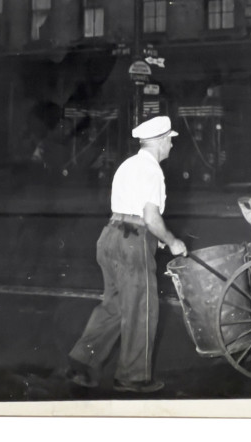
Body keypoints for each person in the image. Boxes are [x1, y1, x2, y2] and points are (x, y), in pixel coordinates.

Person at [66, 115, 187, 393]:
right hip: (131, 243)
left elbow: (128, 210)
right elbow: (150, 217)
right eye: (169, 139)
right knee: (142, 309)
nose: (171, 144)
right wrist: (171, 241)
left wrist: (152, 239)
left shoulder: (127, 165)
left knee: (115, 306)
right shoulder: (153, 170)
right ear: (158, 141)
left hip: (109, 236)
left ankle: (82, 364)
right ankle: (133, 376)